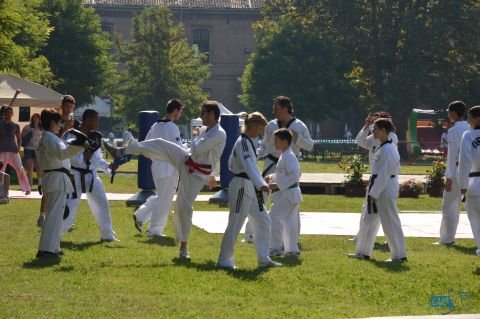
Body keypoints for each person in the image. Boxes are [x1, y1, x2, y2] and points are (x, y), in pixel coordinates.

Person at [104, 101, 226, 259]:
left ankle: (183, 248)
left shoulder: (219, 133)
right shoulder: (204, 130)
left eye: (203, 113)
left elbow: (198, 149)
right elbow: (190, 149)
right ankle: (122, 151)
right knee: (160, 144)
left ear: (211, 114)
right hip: (185, 160)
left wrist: (196, 137)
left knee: (183, 208)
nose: (201, 116)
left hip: (197, 174)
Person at [217, 112, 281, 269]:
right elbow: (248, 166)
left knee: (263, 220)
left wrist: (260, 181)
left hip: (250, 186)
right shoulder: (243, 143)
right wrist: (261, 184)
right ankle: (225, 260)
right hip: (241, 185)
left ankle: (263, 258)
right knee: (235, 223)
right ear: (252, 126)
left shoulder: (249, 143)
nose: (260, 133)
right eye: (260, 129)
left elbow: (252, 166)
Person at [245, 96, 313, 242]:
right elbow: (264, 146)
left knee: (290, 200)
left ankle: (293, 238)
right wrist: (252, 157)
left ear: (285, 108)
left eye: (276, 107)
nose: (274, 110)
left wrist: (297, 138)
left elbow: (310, 145)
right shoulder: (270, 125)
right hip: (271, 163)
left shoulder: (299, 126)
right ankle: (251, 233)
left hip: (289, 164)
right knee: (261, 197)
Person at [348, 118, 407, 262]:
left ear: (384, 131)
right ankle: (363, 251)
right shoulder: (382, 147)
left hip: (385, 188)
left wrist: (374, 193)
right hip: (377, 186)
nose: (373, 131)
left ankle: (399, 255)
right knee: (368, 220)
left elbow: (385, 174)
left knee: (390, 222)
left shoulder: (389, 148)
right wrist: (373, 191)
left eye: (376, 129)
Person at [61, 109, 119, 242]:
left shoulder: (96, 137)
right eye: (95, 119)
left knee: (102, 203)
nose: (97, 122)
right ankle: (56, 235)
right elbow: (67, 156)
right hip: (75, 175)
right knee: (70, 206)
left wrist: (108, 166)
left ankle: (107, 235)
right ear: (87, 119)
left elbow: (97, 159)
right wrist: (84, 158)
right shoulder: (71, 135)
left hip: (92, 176)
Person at [35, 108, 86, 258]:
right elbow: (63, 153)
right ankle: (46, 250)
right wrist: (80, 147)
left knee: (56, 216)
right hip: (56, 178)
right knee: (54, 217)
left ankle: (53, 247)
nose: (60, 125)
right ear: (52, 122)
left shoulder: (48, 138)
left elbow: (62, 153)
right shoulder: (50, 138)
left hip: (55, 178)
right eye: (58, 122)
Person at [133, 99, 184, 236]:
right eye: (180, 111)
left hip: (156, 165)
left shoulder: (155, 125)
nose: (180, 114)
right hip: (168, 167)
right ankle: (155, 229)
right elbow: (178, 150)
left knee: (162, 196)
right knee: (165, 200)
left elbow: (146, 146)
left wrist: (155, 159)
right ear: (175, 111)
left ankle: (141, 215)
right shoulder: (172, 127)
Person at [352, 111, 398, 243]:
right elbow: (360, 141)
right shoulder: (374, 136)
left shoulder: (391, 137)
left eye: (377, 124)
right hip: (375, 177)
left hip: (386, 179)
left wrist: (373, 125)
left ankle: (390, 240)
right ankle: (362, 237)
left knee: (387, 212)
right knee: (368, 211)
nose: (374, 127)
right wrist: (366, 126)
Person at [435, 101, 469, 245]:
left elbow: (452, 156)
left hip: (456, 172)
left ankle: (447, 238)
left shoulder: (453, 131)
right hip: (472, 171)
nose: (448, 114)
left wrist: (448, 177)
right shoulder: (471, 128)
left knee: (449, 205)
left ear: (454, 113)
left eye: (449, 112)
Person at [267, 128, 303, 257]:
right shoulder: (285, 154)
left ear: (284, 142)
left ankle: (276, 248)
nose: (274, 143)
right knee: (289, 223)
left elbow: (295, 175)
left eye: (276, 141)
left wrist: (277, 184)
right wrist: (272, 177)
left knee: (274, 218)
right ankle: (292, 250)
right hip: (289, 193)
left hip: (288, 194)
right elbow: (283, 174)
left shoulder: (289, 156)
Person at [458, 105, 480, 257]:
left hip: (475, 184)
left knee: (477, 222)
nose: (468, 121)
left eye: (470, 118)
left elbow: (465, 161)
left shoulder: (468, 135)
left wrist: (463, 186)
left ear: (477, 119)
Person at [0, 106, 31, 195]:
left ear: (12, 114)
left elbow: (19, 138)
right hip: (2, 151)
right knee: (1, 171)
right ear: (3, 114)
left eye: (10, 112)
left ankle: (27, 188)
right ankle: (1, 190)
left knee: (20, 169)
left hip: (13, 151)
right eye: (6, 112)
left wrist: (19, 147)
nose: (8, 114)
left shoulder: (16, 125)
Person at [21, 113, 43, 188]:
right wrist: (27, 133)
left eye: (37, 118)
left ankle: (40, 185)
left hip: (38, 150)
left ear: (40, 119)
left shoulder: (42, 128)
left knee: (38, 167)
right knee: (29, 168)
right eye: (34, 118)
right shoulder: (27, 127)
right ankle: (29, 186)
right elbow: (21, 136)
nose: (36, 119)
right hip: (28, 149)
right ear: (32, 119)